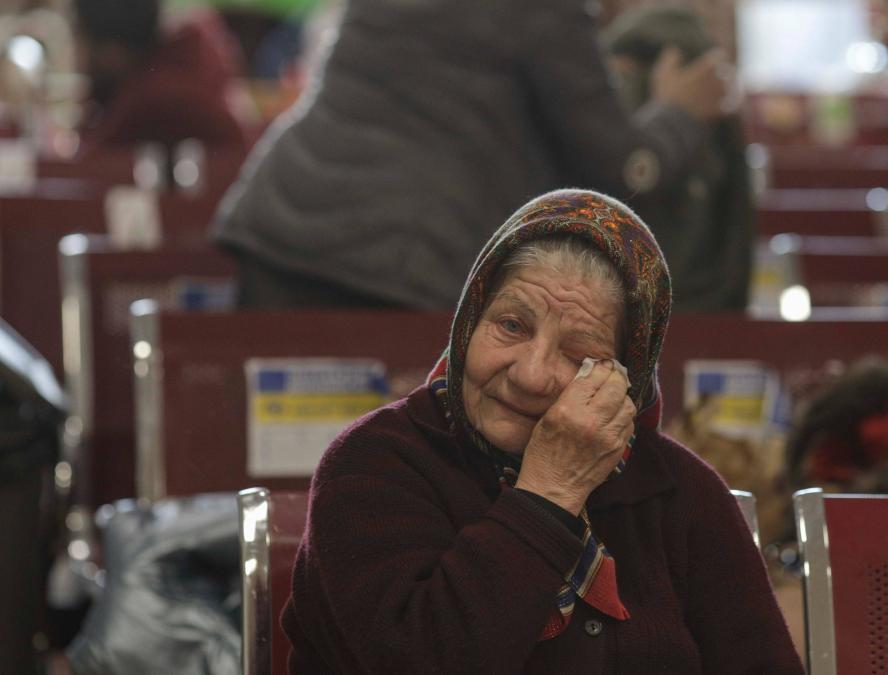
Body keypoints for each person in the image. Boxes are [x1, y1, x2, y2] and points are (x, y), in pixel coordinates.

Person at [282, 189, 804, 673]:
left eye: (578, 354)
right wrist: (552, 490)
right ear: (469, 323)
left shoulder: (678, 491)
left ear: (627, 376)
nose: (531, 374)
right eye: (510, 326)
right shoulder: (375, 463)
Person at [212, 0, 731, 310]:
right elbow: (621, 169)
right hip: (401, 267)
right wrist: (681, 112)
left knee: (269, 471)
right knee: (389, 479)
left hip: (282, 230)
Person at [601, 5, 753, 313]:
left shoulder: (601, 69)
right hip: (701, 314)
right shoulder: (705, 79)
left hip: (611, 314)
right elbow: (735, 243)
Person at [73, 0, 249, 153]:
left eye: (78, 35)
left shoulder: (156, 97)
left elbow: (88, 163)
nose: (76, 51)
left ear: (110, 49)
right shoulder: (178, 64)